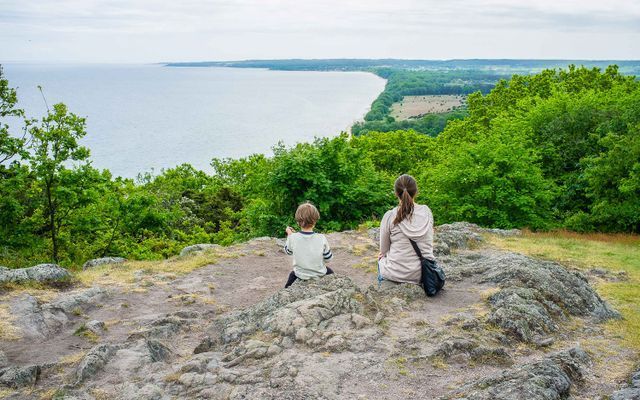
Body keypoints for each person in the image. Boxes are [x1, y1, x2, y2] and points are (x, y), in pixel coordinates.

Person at [378, 174, 434, 285]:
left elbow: (383, 250)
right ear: (416, 192)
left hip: (395, 273)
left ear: (395, 193)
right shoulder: (427, 212)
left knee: (381, 258)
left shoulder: (390, 216)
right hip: (423, 274)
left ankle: (382, 289)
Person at [283, 202, 334, 288]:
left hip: (300, 274)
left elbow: (288, 251)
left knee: (289, 282)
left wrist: (289, 235)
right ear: (315, 221)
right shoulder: (321, 238)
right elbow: (328, 258)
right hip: (319, 273)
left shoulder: (293, 237)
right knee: (332, 274)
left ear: (298, 222)